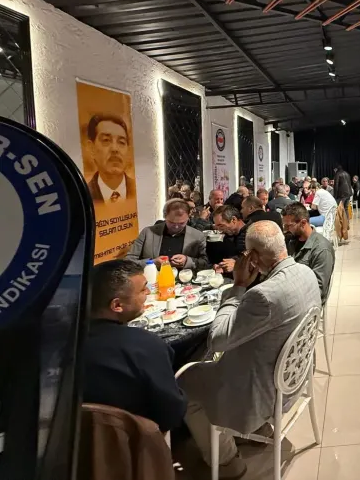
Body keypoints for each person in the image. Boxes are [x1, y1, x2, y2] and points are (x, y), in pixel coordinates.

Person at [176, 221, 320, 478]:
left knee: (182, 381)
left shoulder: (263, 295)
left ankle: (226, 460)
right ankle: (258, 430)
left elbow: (217, 340)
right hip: (292, 379)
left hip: (262, 393)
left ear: (252, 256)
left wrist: (239, 286)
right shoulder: (306, 272)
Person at [82, 259, 187, 433]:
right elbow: (172, 415)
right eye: (143, 289)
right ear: (117, 305)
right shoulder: (146, 345)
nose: (148, 292)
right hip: (133, 441)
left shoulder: (57, 341)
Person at [126, 199, 209, 270]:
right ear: (164, 216)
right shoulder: (148, 233)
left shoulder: (197, 236)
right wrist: (152, 263)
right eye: (171, 222)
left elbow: (205, 262)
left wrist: (187, 261)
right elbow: (128, 262)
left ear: (188, 217)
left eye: (181, 223)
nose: (176, 227)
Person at [282, 203, 335, 302]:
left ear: (303, 223)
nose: (285, 230)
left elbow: (319, 289)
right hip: (290, 291)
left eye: (289, 226)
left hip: (306, 301)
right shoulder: (291, 240)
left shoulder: (321, 249)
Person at [85, 113, 137, 204]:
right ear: (91, 148)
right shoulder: (84, 195)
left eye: (121, 142)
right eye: (106, 140)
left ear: (128, 150)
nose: (114, 149)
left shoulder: (140, 189)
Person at [211, 205, 244, 271]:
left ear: (234, 220)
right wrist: (221, 266)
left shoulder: (252, 236)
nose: (219, 230)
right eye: (217, 226)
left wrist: (237, 265)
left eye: (221, 226)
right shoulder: (228, 236)